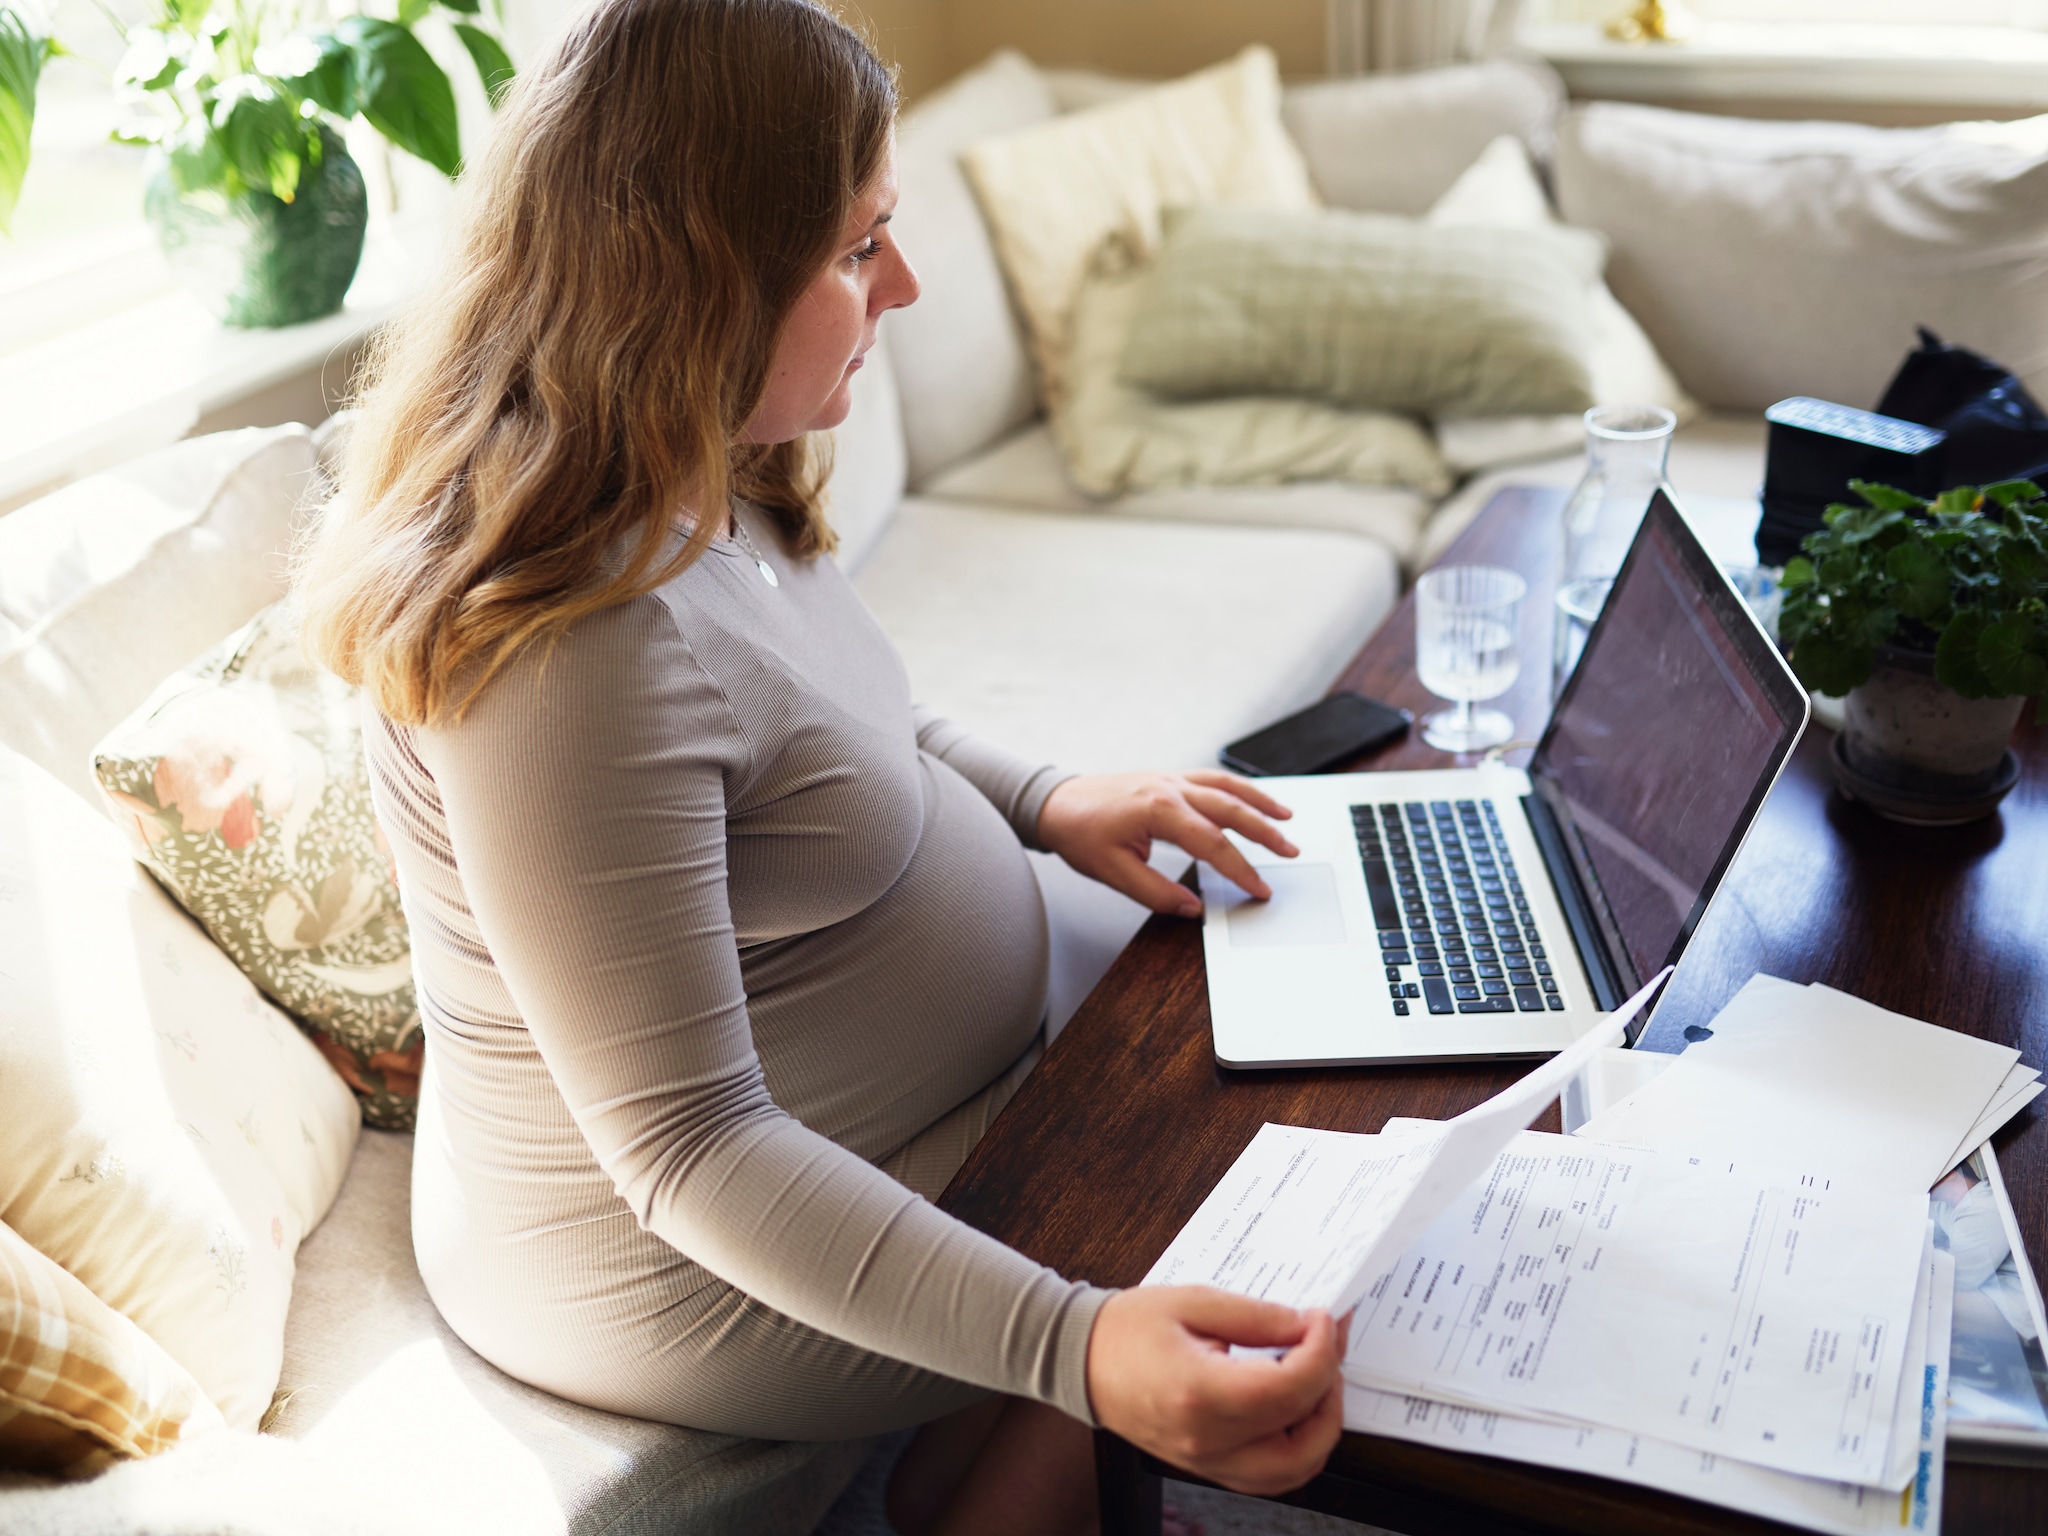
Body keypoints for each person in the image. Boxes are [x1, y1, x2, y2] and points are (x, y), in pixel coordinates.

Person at [296, 1, 1342, 1530]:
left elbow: (842, 725)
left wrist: (1047, 799)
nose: (903, 288)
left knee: (1254, 1016)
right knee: (1230, 1162)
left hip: (825, 1125)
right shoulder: (566, 648)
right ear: (700, 277)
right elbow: (689, 1150)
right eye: (859, 252)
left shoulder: (704, 458)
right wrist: (1076, 1342)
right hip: (662, 1269)